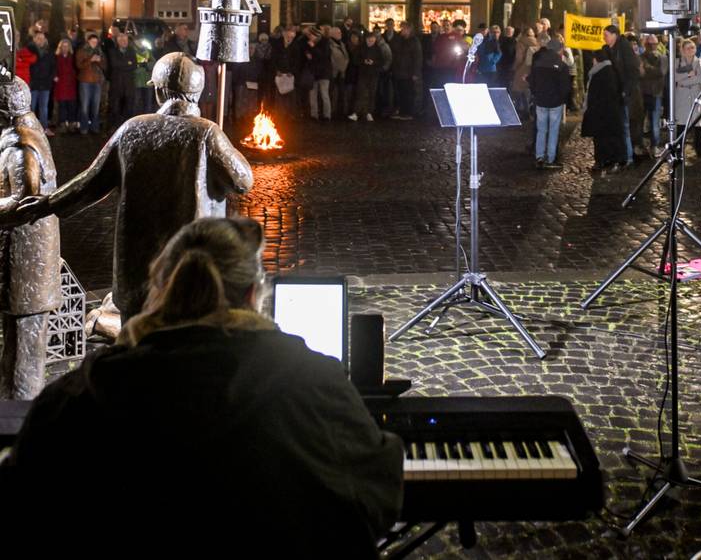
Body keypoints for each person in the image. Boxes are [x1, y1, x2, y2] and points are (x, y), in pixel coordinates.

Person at [2, 217, 403, 553]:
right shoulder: (315, 381)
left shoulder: (78, 397)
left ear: (158, 293)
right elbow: (374, 496)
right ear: (252, 295)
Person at [16, 53, 254, 321]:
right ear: (197, 93)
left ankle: (108, 330)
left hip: (137, 275)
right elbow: (243, 181)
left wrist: (47, 203)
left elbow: (90, 183)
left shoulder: (132, 129)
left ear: (160, 92)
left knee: (137, 343)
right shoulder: (206, 133)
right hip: (190, 273)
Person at [0, 77, 60, 399]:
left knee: (24, 351)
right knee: (16, 346)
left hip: (28, 270)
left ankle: (18, 427)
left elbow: (25, 201)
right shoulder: (20, 132)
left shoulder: (22, 146)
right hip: (22, 267)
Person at [527, 36, 572, 169]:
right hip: (555, 102)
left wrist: (536, 94)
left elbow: (532, 82)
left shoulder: (538, 63)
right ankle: (550, 159)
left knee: (541, 130)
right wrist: (563, 99)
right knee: (553, 130)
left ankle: (539, 157)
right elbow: (565, 86)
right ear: (559, 50)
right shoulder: (562, 66)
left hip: (540, 101)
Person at [603, 24, 643, 166]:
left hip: (626, 95)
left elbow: (633, 71)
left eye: (606, 35)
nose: (604, 38)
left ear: (614, 35)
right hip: (616, 94)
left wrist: (625, 90)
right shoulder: (609, 49)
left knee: (625, 126)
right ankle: (622, 155)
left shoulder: (624, 47)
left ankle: (628, 157)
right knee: (619, 126)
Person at [581, 47, 626, 173]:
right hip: (610, 111)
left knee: (601, 138)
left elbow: (593, 94)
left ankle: (603, 160)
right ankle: (611, 160)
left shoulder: (599, 72)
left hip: (600, 112)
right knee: (610, 136)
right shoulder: (612, 70)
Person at [673, 38, 701, 157]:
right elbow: (674, 77)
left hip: (696, 95)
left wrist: (683, 82)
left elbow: (699, 79)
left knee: (698, 124)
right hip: (681, 97)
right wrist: (688, 75)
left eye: (693, 47)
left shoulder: (700, 62)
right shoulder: (676, 62)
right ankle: (679, 149)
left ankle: (699, 149)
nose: (691, 50)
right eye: (688, 48)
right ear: (682, 50)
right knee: (681, 124)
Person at [640, 34, 667, 154]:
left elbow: (661, 72)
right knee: (641, 121)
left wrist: (647, 69)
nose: (652, 46)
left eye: (654, 43)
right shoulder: (641, 57)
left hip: (656, 92)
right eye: (649, 44)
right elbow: (641, 73)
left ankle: (654, 145)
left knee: (655, 121)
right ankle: (642, 145)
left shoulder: (663, 58)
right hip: (643, 92)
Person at [75, 32, 105, 134]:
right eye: (92, 42)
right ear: (88, 41)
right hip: (85, 81)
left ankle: (94, 126)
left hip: (97, 81)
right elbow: (79, 65)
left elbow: (105, 66)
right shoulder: (82, 51)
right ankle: (84, 127)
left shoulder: (100, 51)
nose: (94, 44)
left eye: (96, 42)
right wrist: (90, 60)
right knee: (85, 105)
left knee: (96, 105)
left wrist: (99, 61)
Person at [391, 21, 422, 120]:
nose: (401, 30)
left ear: (408, 29)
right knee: (401, 92)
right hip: (399, 71)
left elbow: (417, 57)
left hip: (408, 72)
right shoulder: (400, 39)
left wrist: (415, 73)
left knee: (408, 92)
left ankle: (408, 112)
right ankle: (402, 111)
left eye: (403, 28)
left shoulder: (414, 41)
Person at [26, 31, 56, 136]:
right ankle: (31, 129)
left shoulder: (49, 52)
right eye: (38, 38)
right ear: (34, 39)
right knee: (32, 107)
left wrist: (50, 78)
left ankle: (44, 128)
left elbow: (53, 67)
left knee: (44, 107)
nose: (41, 40)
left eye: (42, 38)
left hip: (45, 84)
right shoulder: (29, 51)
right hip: (33, 84)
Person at [349, 30, 383, 122]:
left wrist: (374, 62)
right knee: (360, 93)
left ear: (375, 40)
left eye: (372, 41)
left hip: (373, 74)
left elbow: (381, 62)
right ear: (366, 40)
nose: (370, 42)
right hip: (363, 74)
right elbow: (355, 60)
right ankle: (356, 113)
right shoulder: (360, 48)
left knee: (372, 94)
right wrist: (363, 61)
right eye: (369, 41)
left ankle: (369, 113)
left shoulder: (378, 49)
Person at [106, 31, 137, 128]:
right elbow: (115, 64)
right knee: (115, 107)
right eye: (121, 40)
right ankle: (114, 127)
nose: (124, 41)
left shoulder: (131, 51)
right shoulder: (112, 51)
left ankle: (127, 127)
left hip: (128, 84)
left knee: (128, 107)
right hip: (117, 84)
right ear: (117, 41)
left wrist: (125, 64)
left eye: (125, 39)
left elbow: (134, 65)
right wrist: (127, 63)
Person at [511, 26, 539, 118]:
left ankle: (522, 111)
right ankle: (529, 111)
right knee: (528, 89)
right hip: (533, 69)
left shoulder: (521, 42)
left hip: (522, 68)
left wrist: (514, 67)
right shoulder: (537, 42)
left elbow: (519, 58)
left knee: (519, 90)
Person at [53, 37, 79, 132]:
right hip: (61, 84)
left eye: (67, 46)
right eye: (63, 46)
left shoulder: (72, 57)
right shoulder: (56, 57)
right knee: (62, 105)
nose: (65, 48)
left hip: (71, 83)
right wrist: (55, 76)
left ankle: (71, 123)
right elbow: (53, 68)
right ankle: (63, 123)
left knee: (72, 105)